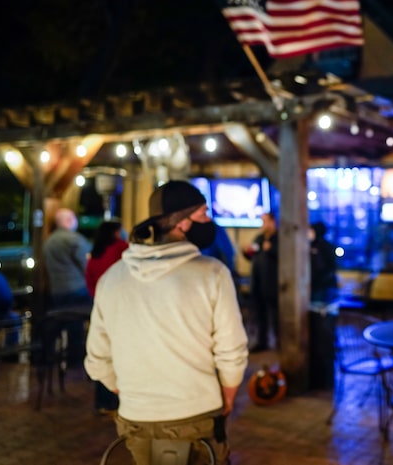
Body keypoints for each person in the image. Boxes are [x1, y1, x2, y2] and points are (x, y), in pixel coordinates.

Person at [84, 180, 249, 464]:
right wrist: (228, 396)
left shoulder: (112, 278)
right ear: (183, 224)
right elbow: (232, 354)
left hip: (135, 420)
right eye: (203, 214)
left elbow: (97, 361)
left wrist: (134, 393)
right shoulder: (212, 274)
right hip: (197, 417)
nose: (209, 221)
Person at [84, 219, 128, 415]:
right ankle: (117, 400)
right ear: (117, 232)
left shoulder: (95, 253)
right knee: (118, 352)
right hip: (121, 306)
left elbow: (89, 281)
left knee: (101, 350)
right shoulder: (122, 248)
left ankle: (103, 401)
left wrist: (98, 297)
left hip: (100, 304)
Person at [242, 211, 279, 352]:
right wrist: (246, 252)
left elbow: (284, 257)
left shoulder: (279, 238)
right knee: (260, 315)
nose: (263, 225)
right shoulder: (259, 238)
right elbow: (252, 256)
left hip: (273, 284)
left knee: (276, 317)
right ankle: (262, 342)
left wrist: (271, 250)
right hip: (258, 283)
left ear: (272, 222)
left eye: (265, 221)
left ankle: (280, 344)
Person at [43, 207, 91, 309]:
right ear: (70, 220)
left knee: (67, 322)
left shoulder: (49, 241)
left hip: (57, 291)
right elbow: (88, 266)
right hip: (78, 290)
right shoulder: (75, 239)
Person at [309, 222, 338, 304]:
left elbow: (331, 266)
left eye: (311, 230)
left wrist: (320, 279)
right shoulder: (310, 245)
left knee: (320, 309)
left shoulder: (325, 246)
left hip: (323, 286)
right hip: (316, 284)